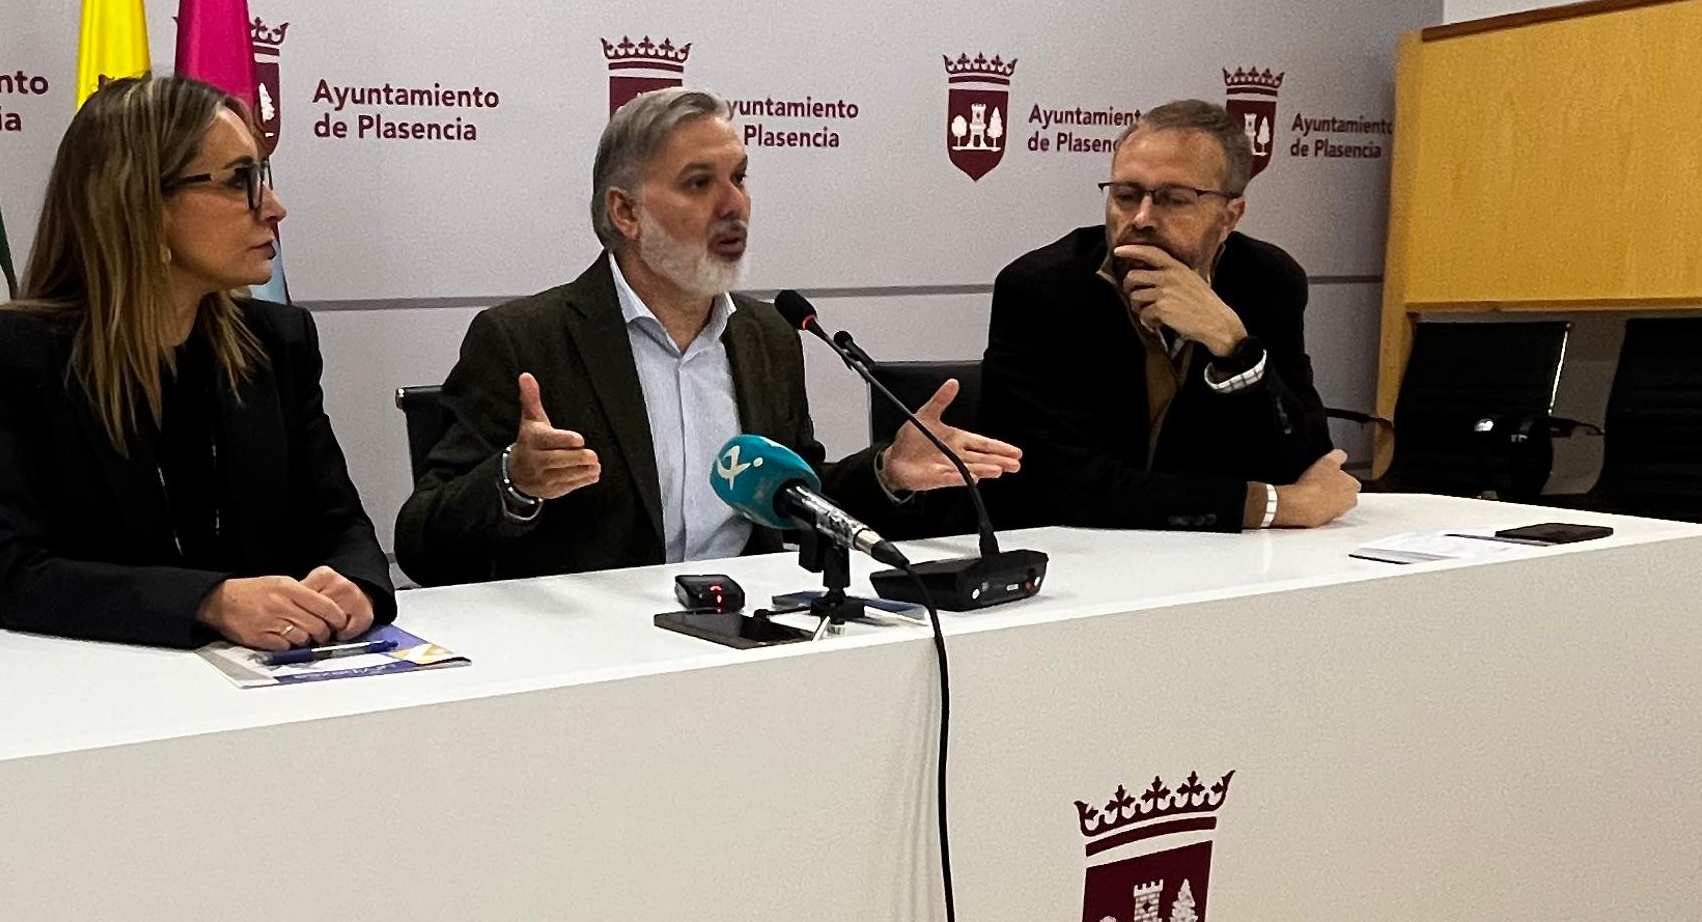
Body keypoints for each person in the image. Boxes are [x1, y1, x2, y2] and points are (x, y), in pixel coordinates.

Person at [399, 88, 1019, 584]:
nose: (735, 205)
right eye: (700, 183)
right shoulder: (524, 341)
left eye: (740, 178)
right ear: (626, 212)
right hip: (596, 659)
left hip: (744, 639)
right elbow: (422, 543)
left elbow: (795, 496)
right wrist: (514, 483)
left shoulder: (768, 335)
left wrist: (888, 471)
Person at [0, 75, 394, 649]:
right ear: (139, 202)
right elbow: (13, 573)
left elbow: (340, 523)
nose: (275, 209)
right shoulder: (12, 352)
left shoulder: (278, 341)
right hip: (96, 691)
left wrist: (355, 585)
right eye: (242, 181)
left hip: (270, 690)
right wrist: (210, 601)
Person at [972, 97, 1358, 534]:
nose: (1141, 218)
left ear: (1230, 215)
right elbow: (1058, 486)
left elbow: (1305, 458)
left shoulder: (1269, 280)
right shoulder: (1041, 290)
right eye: (1126, 195)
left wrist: (1233, 347)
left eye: (1174, 200)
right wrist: (1270, 506)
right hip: (1073, 557)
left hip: (1219, 560)